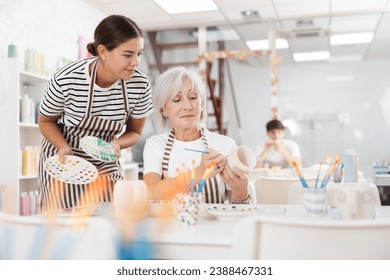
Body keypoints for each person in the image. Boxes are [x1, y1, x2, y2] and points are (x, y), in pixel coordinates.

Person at [38, 15, 153, 211]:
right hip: (65, 157)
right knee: (65, 225)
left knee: (110, 216)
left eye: (139, 54)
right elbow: (45, 120)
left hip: (105, 157)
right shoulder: (66, 78)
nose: (136, 62)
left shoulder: (140, 85)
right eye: (127, 55)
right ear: (103, 51)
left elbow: (134, 132)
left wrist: (116, 144)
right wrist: (62, 146)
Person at [143, 67, 250, 204]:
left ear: (201, 103)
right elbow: (151, 193)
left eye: (193, 97)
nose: (187, 106)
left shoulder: (225, 145)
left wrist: (241, 191)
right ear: (163, 110)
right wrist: (198, 173)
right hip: (171, 224)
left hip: (214, 225)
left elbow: (237, 211)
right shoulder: (156, 144)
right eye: (177, 99)